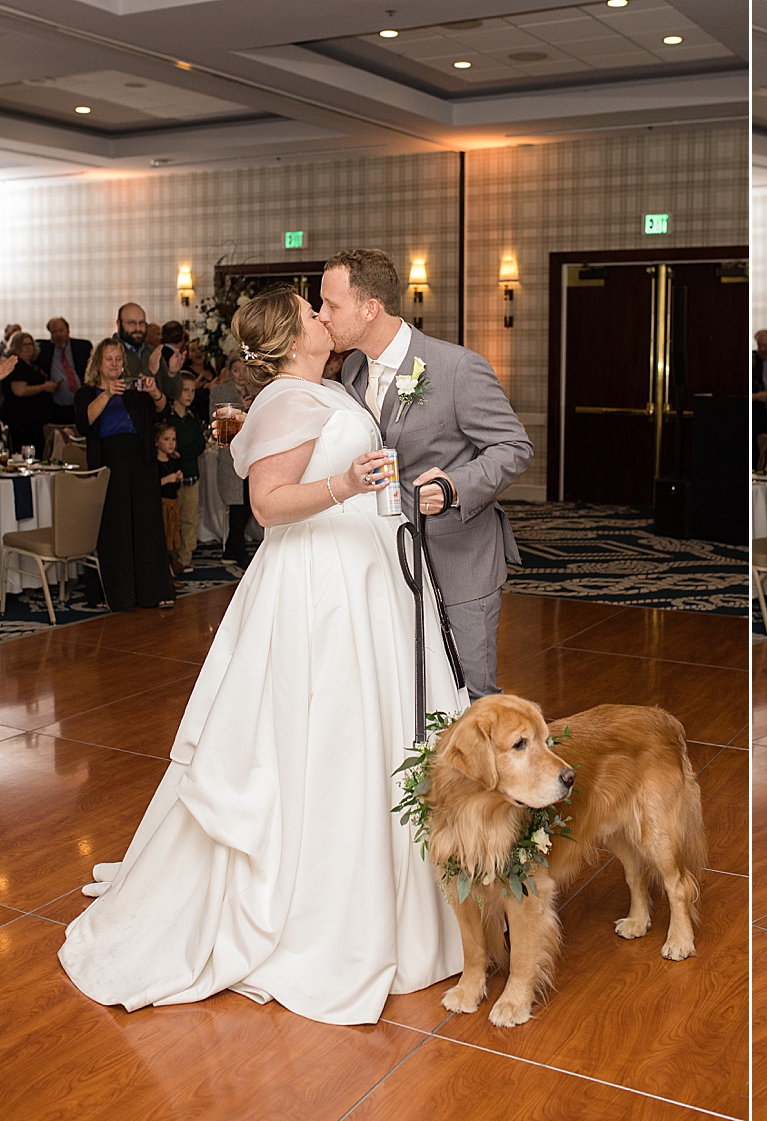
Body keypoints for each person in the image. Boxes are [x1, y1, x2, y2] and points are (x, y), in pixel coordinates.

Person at [59, 285, 466, 1025]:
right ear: (289, 335)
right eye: (314, 313)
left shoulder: (321, 389)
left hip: (365, 575)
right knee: (320, 736)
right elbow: (270, 504)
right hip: (316, 586)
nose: (324, 316)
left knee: (370, 730)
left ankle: (393, 894)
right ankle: (320, 913)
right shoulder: (287, 397)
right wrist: (346, 482)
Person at [320, 248, 533, 696]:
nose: (323, 316)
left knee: (473, 696)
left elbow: (514, 447)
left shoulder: (457, 368)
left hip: (460, 559)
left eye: (331, 306)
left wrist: (455, 486)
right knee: (412, 690)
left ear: (369, 308)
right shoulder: (353, 368)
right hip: (387, 558)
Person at [73, 338, 175, 611]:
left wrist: (154, 392)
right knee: (114, 530)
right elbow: (84, 423)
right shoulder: (86, 393)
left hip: (141, 464)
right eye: (109, 359)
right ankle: (119, 596)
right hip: (108, 466)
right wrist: (106, 394)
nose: (115, 364)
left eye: (119, 359)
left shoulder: (135, 390)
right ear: (98, 363)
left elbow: (163, 410)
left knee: (147, 527)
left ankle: (153, 592)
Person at [210, 358, 253, 567]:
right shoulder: (219, 392)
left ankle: (232, 548)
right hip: (229, 453)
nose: (241, 375)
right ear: (229, 371)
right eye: (236, 370)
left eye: (245, 370)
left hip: (251, 453)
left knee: (249, 503)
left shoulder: (257, 391)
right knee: (237, 504)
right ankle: (238, 550)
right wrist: (240, 406)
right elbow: (217, 417)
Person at [166, 379, 209, 574]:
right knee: (172, 518)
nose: (190, 394)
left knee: (190, 518)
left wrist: (182, 453)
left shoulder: (193, 417)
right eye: (185, 390)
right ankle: (172, 557)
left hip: (191, 474)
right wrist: (180, 452)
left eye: (192, 390)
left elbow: (200, 445)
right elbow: (167, 444)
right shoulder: (168, 417)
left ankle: (185, 558)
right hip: (172, 475)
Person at [113, 303, 185, 403]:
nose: (138, 328)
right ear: (119, 324)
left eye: (142, 323)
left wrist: (172, 374)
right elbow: (121, 392)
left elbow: (174, 394)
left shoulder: (152, 352)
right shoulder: (109, 353)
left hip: (154, 417)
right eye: (132, 323)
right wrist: (150, 372)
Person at [2, 332, 57, 454]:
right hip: (21, 419)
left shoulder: (33, 365)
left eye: (30, 344)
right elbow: (19, 390)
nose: (28, 348)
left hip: (35, 420)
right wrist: (44, 387)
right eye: (24, 345)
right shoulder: (16, 366)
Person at [37, 317, 91, 426]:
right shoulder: (44, 350)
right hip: (55, 408)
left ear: (68, 330)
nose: (58, 335)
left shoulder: (82, 347)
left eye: (61, 331)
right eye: (54, 332)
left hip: (80, 405)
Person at [155, 421, 184, 566]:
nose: (171, 443)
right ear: (156, 442)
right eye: (166, 439)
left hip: (173, 502)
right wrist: (168, 479)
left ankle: (173, 564)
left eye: (173, 439)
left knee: (173, 532)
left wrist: (178, 477)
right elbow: (152, 485)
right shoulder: (155, 464)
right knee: (163, 534)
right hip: (161, 503)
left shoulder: (174, 460)